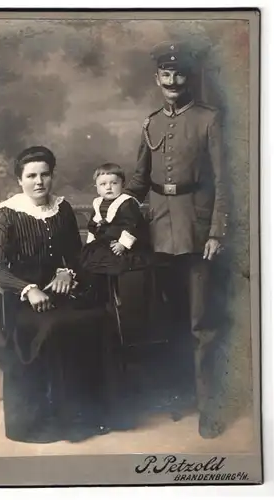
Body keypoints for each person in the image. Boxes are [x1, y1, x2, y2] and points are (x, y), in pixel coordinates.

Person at [125, 41, 229, 438]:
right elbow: (138, 179)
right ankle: (175, 396)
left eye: (179, 74)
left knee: (201, 322)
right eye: (165, 75)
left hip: (197, 232)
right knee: (165, 318)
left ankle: (210, 407)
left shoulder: (208, 119)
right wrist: (110, 210)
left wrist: (217, 231)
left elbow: (223, 182)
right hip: (158, 231)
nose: (172, 81)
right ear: (157, 79)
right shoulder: (150, 122)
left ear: (190, 78)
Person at [0, 145, 111, 443]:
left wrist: (68, 272)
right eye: (31, 176)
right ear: (20, 180)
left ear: (52, 176)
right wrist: (28, 289)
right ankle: (53, 417)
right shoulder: (6, 213)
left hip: (62, 292)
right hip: (23, 299)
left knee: (98, 319)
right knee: (53, 327)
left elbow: (75, 255)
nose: (39, 182)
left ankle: (89, 412)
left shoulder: (62, 208)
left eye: (45, 175)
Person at [80, 162, 149, 277]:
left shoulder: (127, 203)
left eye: (114, 183)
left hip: (122, 246)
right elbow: (92, 226)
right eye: (103, 184)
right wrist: (90, 242)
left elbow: (132, 225)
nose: (108, 187)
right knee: (89, 263)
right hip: (103, 244)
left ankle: (116, 292)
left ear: (122, 184)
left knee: (119, 267)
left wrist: (123, 244)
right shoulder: (98, 203)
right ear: (97, 188)